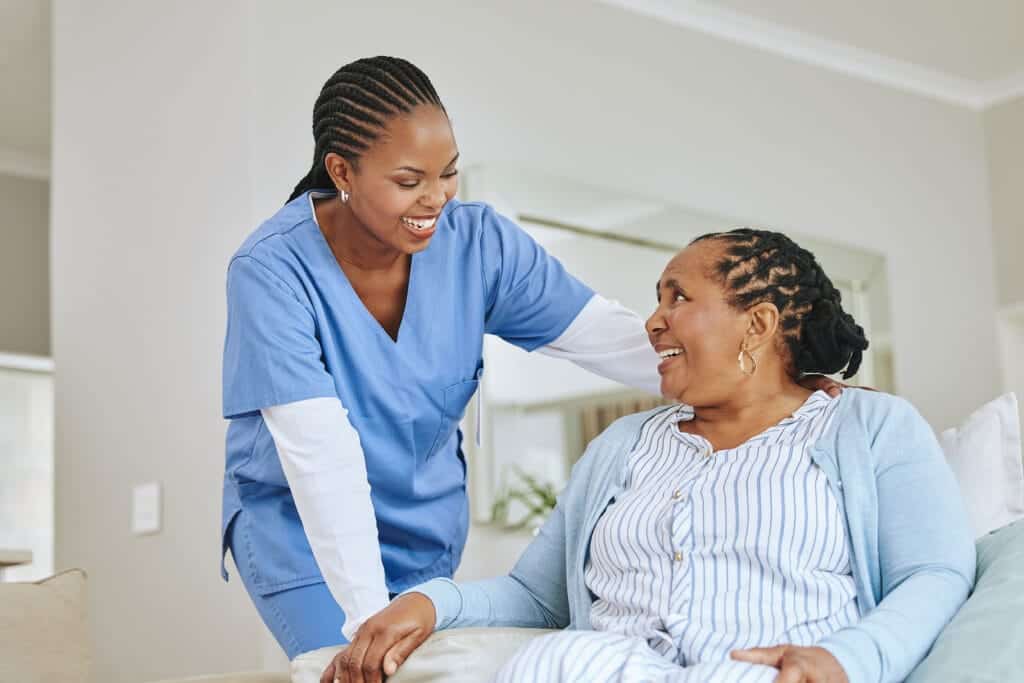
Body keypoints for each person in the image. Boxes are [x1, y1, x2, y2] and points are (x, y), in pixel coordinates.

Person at [329, 229, 976, 683]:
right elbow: (538, 592)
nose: (653, 320)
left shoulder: (870, 426)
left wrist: (849, 661)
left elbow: (935, 572)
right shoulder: (623, 445)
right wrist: (431, 603)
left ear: (757, 324)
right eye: (658, 299)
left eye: (679, 297)